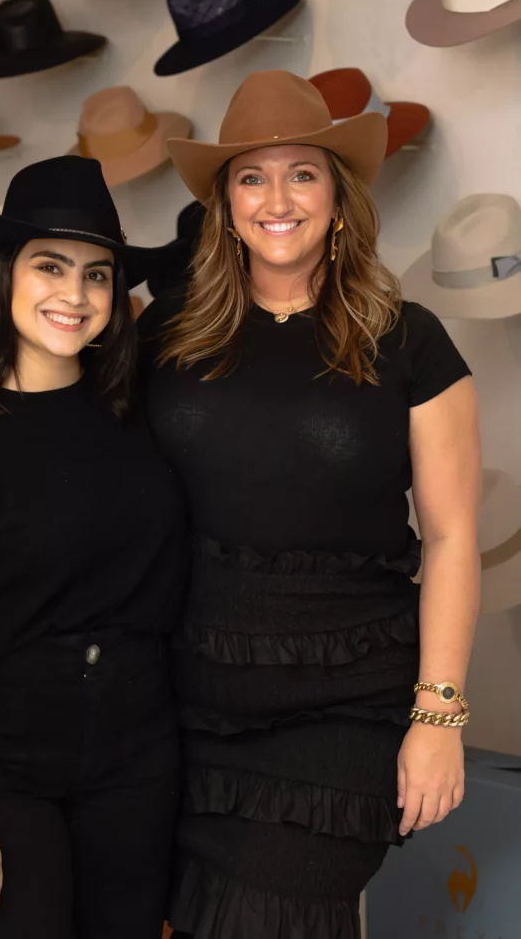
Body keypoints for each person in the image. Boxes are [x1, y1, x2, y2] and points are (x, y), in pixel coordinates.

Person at [138, 71, 481, 939]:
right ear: (223, 202)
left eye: (303, 172)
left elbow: (448, 537)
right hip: (182, 705)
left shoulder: (408, 341)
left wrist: (437, 717)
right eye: (251, 175)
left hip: (344, 710)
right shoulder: (166, 334)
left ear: (337, 196)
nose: (276, 197)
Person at [0, 156, 187, 938]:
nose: (74, 295)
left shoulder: (135, 412)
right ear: (1, 277)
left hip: (135, 762)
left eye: (98, 275)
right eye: (49, 266)